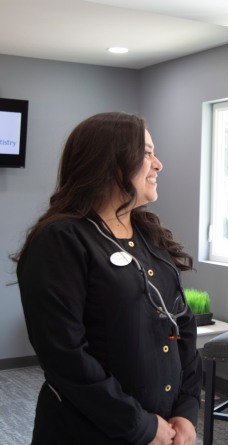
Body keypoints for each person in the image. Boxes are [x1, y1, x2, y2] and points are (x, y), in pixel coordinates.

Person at [13, 112, 202, 445]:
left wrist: (186, 408)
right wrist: (139, 425)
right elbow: (65, 355)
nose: (158, 164)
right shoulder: (61, 239)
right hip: (91, 431)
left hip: (164, 427)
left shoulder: (148, 234)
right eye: (146, 153)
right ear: (111, 161)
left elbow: (181, 325)